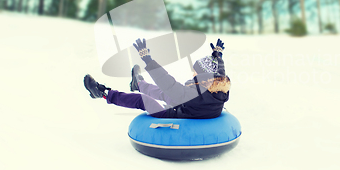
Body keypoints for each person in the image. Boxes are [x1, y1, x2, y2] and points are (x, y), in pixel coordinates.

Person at [83, 38, 231, 119]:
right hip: (192, 109)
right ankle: (139, 83)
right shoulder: (221, 89)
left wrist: (148, 60)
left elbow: (168, 83)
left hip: (176, 115)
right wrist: (216, 57)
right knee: (164, 94)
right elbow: (219, 73)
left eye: (195, 72)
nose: (193, 74)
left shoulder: (192, 94)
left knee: (144, 100)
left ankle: (103, 94)